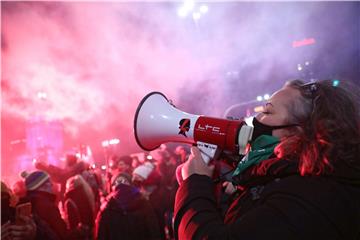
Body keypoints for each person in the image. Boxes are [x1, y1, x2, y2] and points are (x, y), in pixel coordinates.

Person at [174, 79, 360, 239]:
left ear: (297, 131)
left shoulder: (308, 197)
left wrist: (195, 184)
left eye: (267, 112)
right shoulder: (301, 179)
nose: (256, 119)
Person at [95, 172, 161, 240]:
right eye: (117, 182)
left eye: (124, 182)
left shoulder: (106, 207)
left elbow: (101, 235)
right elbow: (153, 231)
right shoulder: (144, 203)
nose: (121, 185)